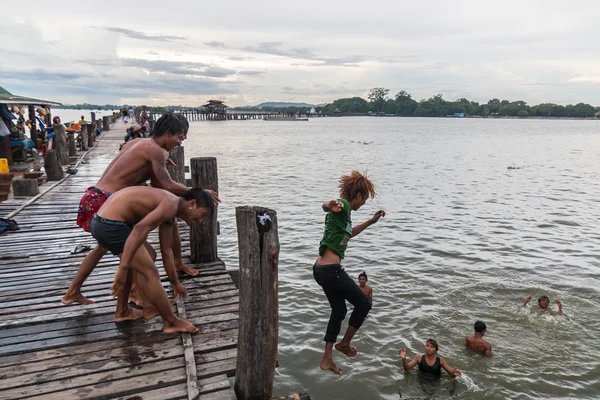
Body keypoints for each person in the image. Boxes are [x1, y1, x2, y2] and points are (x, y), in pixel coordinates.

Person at [62, 112, 219, 305]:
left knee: (103, 248)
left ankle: (73, 291)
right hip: (108, 200)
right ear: (168, 133)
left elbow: (156, 182)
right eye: (180, 136)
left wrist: (159, 164)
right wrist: (197, 191)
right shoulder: (155, 150)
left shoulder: (137, 143)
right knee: (138, 250)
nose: (181, 141)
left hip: (94, 196)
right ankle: (134, 294)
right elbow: (166, 185)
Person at [93, 186, 213, 329]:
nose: (200, 220)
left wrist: (175, 283)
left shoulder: (171, 211)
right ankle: (171, 322)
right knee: (150, 272)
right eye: (203, 214)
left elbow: (166, 250)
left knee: (150, 255)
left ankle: (123, 310)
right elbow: (139, 230)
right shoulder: (170, 204)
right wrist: (122, 268)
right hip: (110, 225)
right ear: (192, 204)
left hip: (104, 222)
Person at [313, 170, 385, 375]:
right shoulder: (342, 205)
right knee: (363, 303)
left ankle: (327, 358)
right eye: (364, 201)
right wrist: (330, 205)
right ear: (359, 195)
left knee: (339, 311)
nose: (362, 205)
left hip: (320, 270)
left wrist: (371, 222)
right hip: (331, 271)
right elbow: (327, 205)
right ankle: (344, 344)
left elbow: (349, 234)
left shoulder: (344, 216)